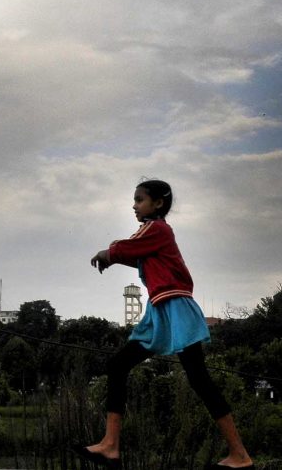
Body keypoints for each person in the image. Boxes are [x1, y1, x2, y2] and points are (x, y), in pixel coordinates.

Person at [72, 179, 255, 469]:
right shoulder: (155, 235)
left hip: (176, 308)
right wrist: (117, 258)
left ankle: (240, 455)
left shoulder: (156, 228)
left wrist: (108, 253)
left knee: (198, 379)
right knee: (119, 366)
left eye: (139, 200)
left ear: (157, 204)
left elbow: (126, 247)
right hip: (159, 309)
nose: (134, 205)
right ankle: (110, 445)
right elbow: (140, 256)